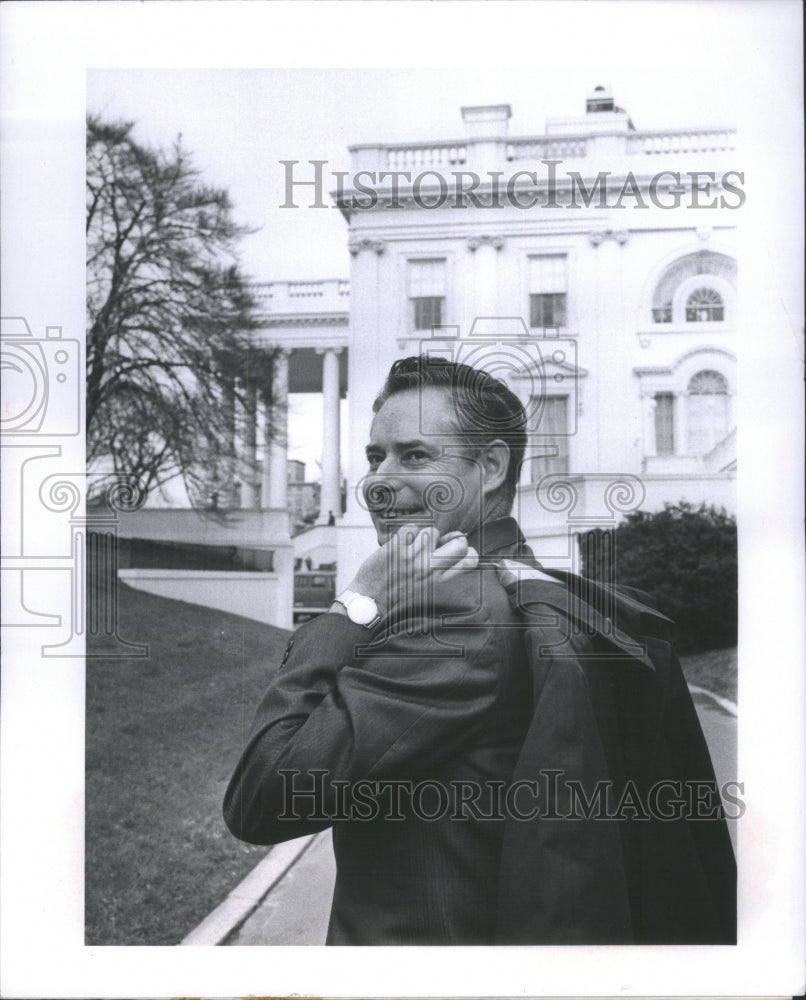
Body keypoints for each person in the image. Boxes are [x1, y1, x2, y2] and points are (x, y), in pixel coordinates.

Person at [223, 355, 735, 945]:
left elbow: (262, 798)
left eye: (415, 455)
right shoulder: (518, 585)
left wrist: (354, 605)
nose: (379, 481)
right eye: (374, 456)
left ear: (490, 466)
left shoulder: (455, 615)